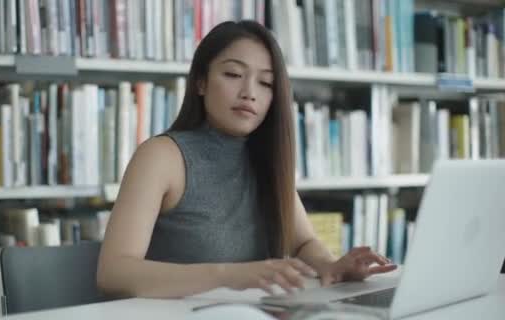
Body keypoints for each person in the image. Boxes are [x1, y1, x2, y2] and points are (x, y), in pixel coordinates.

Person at [97, 20, 396, 299]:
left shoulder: (265, 158)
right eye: (233, 75)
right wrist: (231, 275)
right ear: (201, 82)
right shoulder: (162, 156)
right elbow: (113, 272)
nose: (249, 93)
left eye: (266, 83)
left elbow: (303, 242)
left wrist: (329, 265)